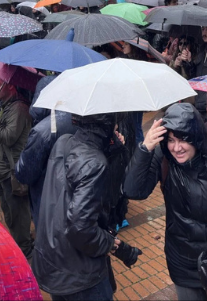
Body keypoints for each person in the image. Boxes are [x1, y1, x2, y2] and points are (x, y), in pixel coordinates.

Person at [124, 104, 207, 301]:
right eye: (171, 140)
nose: (176, 148)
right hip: (182, 262)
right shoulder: (163, 158)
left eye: (183, 140)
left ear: (196, 137)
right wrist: (145, 148)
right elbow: (133, 190)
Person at [32, 113, 142, 301]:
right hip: (80, 274)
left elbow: (78, 187)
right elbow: (81, 228)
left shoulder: (64, 142)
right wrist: (112, 244)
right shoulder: (94, 162)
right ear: (108, 123)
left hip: (52, 260)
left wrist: (111, 149)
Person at [0, 77, 34, 258]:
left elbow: (8, 137)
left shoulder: (19, 108)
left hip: (12, 173)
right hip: (3, 171)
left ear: (10, 85)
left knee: (17, 215)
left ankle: (25, 251)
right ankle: (20, 245)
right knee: (10, 214)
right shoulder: (7, 106)